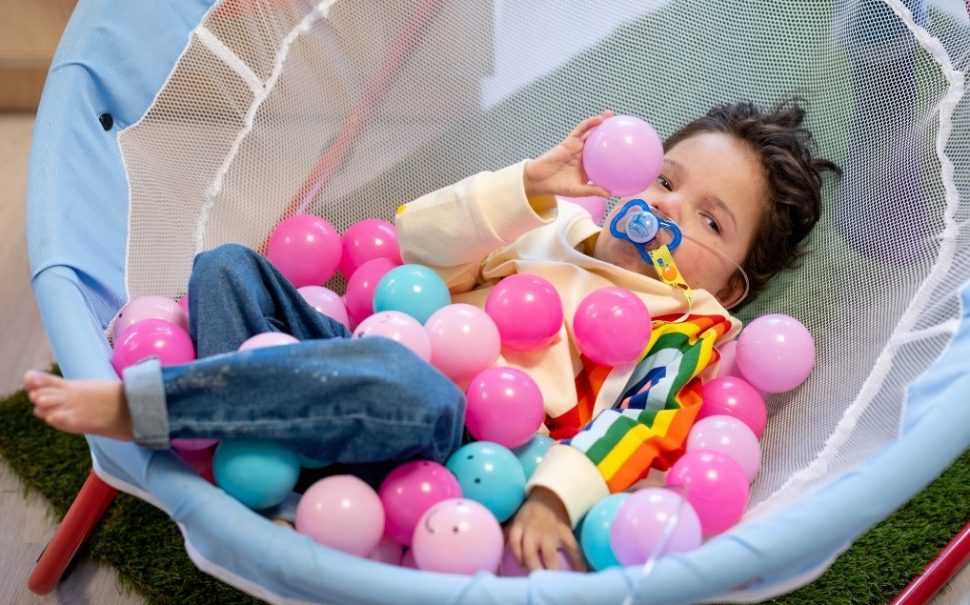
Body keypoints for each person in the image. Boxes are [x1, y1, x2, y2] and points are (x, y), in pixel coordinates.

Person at [24, 99, 840, 572]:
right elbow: (419, 249)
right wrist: (527, 185)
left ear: (728, 284)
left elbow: (639, 423)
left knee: (396, 376)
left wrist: (555, 495)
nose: (667, 206)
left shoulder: (686, 326)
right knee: (227, 267)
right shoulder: (558, 224)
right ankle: (274, 447)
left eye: (709, 218)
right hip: (371, 353)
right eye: (666, 178)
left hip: (455, 437)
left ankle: (160, 409)